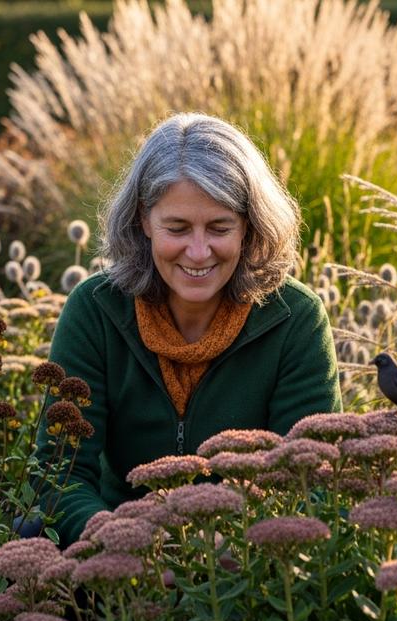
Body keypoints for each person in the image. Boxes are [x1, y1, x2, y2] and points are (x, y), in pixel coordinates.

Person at [36, 112, 342, 546]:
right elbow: (59, 476)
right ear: (143, 220)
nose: (198, 253)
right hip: (116, 573)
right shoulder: (95, 311)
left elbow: (312, 479)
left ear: (250, 225)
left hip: (253, 577)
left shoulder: (295, 319)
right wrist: (126, 547)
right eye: (176, 228)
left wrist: (230, 550)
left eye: (220, 228)